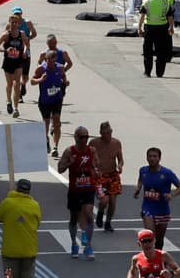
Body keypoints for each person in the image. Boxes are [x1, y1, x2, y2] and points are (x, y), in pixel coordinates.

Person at [58, 127, 100, 259]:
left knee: (88, 213)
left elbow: (97, 166)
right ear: (75, 137)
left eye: (86, 137)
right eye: (81, 137)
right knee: (74, 217)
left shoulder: (91, 150)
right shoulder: (70, 151)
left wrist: (95, 169)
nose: (84, 140)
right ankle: (73, 244)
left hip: (88, 187)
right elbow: (60, 169)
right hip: (75, 189)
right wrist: (69, 163)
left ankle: (88, 245)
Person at [133, 146, 180, 245]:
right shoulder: (143, 170)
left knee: (159, 240)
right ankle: (149, 258)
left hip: (162, 209)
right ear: (146, 158)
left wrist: (171, 195)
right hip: (147, 208)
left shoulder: (167, 173)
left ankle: (158, 257)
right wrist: (138, 189)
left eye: (155, 156)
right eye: (150, 156)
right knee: (150, 235)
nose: (152, 158)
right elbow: (140, 179)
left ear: (159, 158)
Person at [31, 48, 68, 157]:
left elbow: (64, 77)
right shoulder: (40, 69)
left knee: (57, 121)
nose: (52, 64)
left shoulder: (60, 68)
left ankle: (55, 147)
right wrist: (40, 80)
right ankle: (46, 139)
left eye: (54, 61)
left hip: (57, 99)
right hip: (44, 100)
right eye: (50, 61)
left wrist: (65, 82)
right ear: (46, 60)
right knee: (46, 123)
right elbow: (32, 81)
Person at [92, 122, 124, 232]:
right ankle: (100, 213)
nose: (107, 135)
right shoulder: (94, 143)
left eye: (109, 132)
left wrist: (120, 166)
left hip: (113, 175)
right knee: (104, 200)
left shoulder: (116, 143)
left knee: (113, 202)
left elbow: (120, 159)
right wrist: (94, 169)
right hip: (100, 177)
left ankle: (108, 222)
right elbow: (89, 157)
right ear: (101, 133)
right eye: (105, 133)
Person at [137, 0, 175, 77]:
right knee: (161, 51)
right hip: (162, 28)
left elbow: (142, 16)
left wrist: (139, 28)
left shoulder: (146, 1)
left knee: (148, 51)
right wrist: (171, 27)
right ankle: (160, 73)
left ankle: (147, 72)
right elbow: (170, 16)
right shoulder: (165, 2)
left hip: (149, 28)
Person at [0, 14, 29, 117]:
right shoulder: (6, 35)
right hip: (8, 62)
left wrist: (25, 52)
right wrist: (5, 50)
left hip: (18, 62)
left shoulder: (21, 34)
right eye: (11, 22)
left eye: (15, 22)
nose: (13, 24)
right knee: (9, 84)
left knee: (17, 83)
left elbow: (27, 44)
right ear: (9, 23)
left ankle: (16, 108)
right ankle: (8, 101)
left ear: (19, 24)